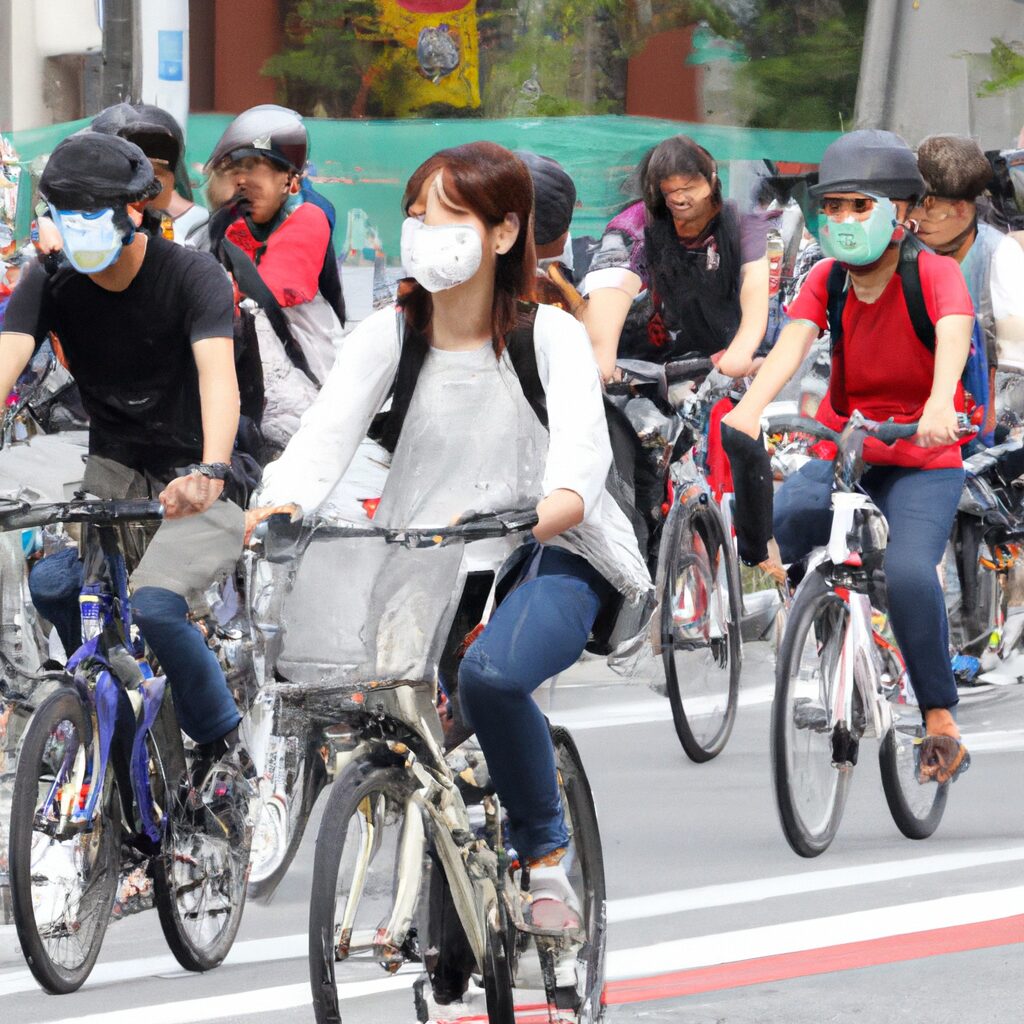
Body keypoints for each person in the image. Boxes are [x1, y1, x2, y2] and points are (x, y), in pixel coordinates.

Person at [248, 142, 652, 955]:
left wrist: (553, 505)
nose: (425, 232)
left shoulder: (552, 339)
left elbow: (582, 455)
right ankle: (437, 844)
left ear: (505, 233)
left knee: (493, 677)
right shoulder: (389, 334)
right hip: (427, 553)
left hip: (553, 552)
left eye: (449, 215)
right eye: (417, 214)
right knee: (377, 705)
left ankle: (544, 859)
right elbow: (321, 441)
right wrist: (280, 502)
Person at [722, 128, 975, 785]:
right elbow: (793, 344)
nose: (842, 221)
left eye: (858, 206)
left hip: (923, 455)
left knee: (914, 577)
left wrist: (941, 404)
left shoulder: (936, 273)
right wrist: (750, 408)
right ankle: (823, 625)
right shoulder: (828, 279)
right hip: (850, 446)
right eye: (831, 207)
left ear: (902, 213)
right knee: (787, 517)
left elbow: (954, 332)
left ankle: (940, 719)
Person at [1, 132, 247, 765]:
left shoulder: (192, 275)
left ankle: (223, 744)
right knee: (56, 586)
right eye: (63, 214)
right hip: (114, 472)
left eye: (91, 214)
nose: (75, 229)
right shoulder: (50, 281)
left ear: (136, 209)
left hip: (203, 472)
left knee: (156, 606)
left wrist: (211, 469)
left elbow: (220, 379)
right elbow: (6, 362)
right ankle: (111, 700)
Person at [203, 105, 345, 455]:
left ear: (290, 179)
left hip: (306, 388)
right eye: (234, 169)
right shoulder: (233, 221)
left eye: (254, 167)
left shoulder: (309, 215)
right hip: (258, 390)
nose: (241, 181)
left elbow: (270, 292)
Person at [580, 134, 769, 380]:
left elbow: (755, 285)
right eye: (670, 191)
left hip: (725, 350)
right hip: (650, 360)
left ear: (712, 180)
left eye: (689, 188)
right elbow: (607, 302)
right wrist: (600, 363)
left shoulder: (740, 223)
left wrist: (742, 351)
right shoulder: (632, 231)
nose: (679, 199)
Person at [914, 135, 1024, 433]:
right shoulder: (910, 252)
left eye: (930, 207)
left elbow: (1015, 350)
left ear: (962, 209)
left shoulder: (998, 253)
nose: (918, 217)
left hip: (981, 405)